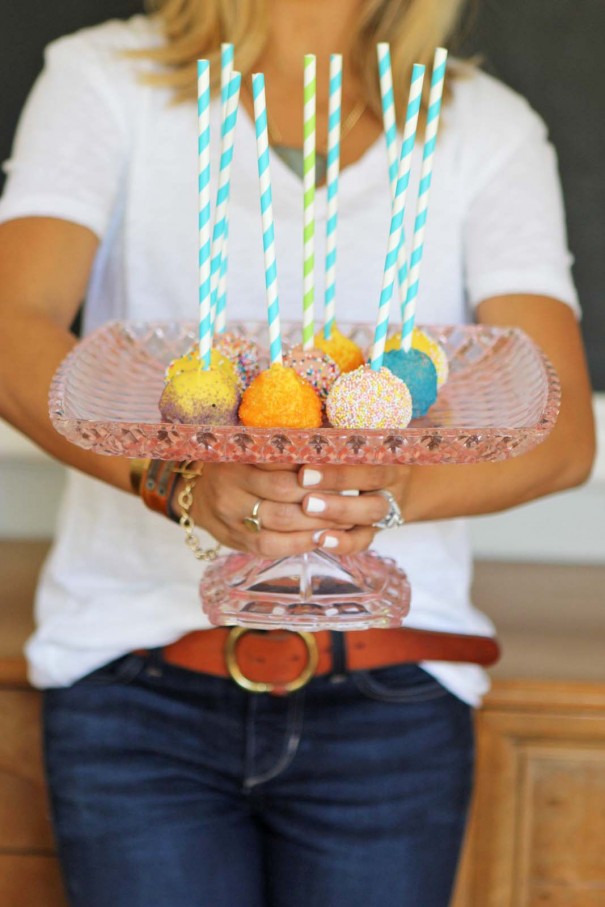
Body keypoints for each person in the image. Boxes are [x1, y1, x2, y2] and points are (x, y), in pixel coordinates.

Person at [0, 0, 595, 905]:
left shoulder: (482, 125)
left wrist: (382, 494)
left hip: (390, 688)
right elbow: (11, 328)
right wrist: (179, 480)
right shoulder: (104, 79)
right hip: (135, 683)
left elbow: (559, 435)